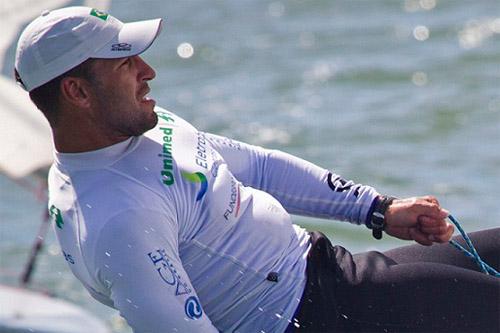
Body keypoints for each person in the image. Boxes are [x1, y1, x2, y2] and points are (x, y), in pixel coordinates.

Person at [14, 6, 499, 333]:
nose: (147, 71)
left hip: (334, 271)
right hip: (318, 316)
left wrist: (377, 209)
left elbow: (259, 167)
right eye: (124, 63)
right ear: (77, 93)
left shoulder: (147, 127)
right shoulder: (116, 222)